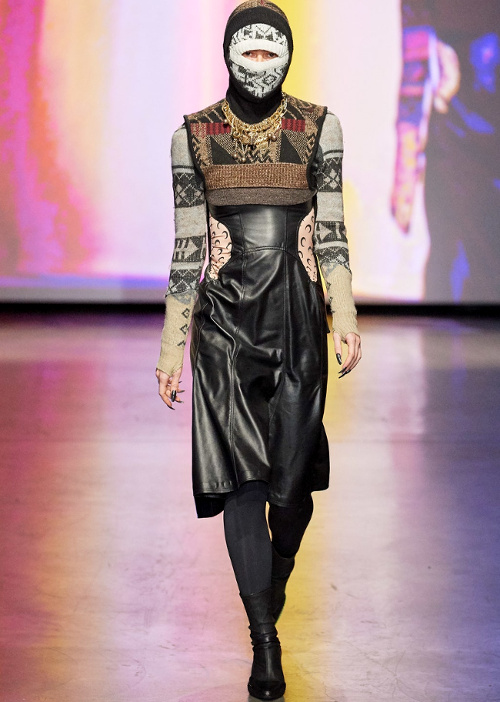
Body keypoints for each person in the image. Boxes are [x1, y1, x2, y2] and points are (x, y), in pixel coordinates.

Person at [156, 2, 361, 699]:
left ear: (288, 54)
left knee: (291, 492)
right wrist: (172, 346)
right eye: (250, 48)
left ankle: (277, 576)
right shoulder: (192, 135)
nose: (261, 61)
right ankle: (264, 641)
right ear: (228, 53)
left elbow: (330, 231)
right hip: (224, 329)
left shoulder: (318, 126)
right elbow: (188, 247)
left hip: (298, 321)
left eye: (273, 49)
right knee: (242, 484)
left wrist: (344, 315)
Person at [392, 0, 500, 302]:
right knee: (455, 267)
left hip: (469, 147)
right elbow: (414, 70)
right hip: (458, 152)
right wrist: (405, 175)